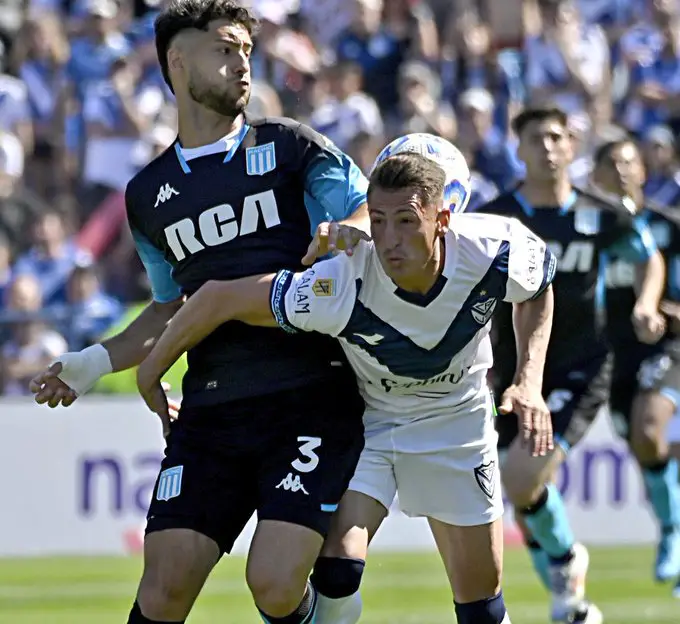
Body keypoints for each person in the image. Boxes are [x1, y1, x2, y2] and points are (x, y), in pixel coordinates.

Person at [27, 2, 373, 623]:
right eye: (225, 48)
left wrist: (344, 233)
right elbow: (170, 309)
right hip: (210, 410)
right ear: (178, 62)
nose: (242, 63)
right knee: (162, 586)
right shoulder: (146, 196)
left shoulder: (291, 147)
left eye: (246, 49)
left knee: (271, 581)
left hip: (310, 395)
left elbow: (369, 211)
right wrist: (87, 364)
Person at [135, 150, 557, 624]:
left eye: (405, 221)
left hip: (457, 420)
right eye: (378, 221)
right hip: (373, 421)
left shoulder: (495, 248)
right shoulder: (339, 282)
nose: (390, 240)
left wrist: (529, 379)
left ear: (443, 218)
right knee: (336, 570)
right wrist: (150, 370)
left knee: (481, 604)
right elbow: (220, 296)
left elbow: (538, 289)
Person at [478, 107, 665, 624]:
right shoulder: (496, 219)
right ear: (518, 150)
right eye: (536, 138)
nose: (548, 147)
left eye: (557, 137)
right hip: (513, 375)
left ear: (573, 146)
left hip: (581, 368)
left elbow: (649, 256)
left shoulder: (601, 213)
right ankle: (572, 603)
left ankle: (565, 562)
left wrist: (647, 304)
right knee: (522, 493)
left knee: (519, 477)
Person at [592, 138, 680, 585]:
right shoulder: (589, 231)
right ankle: (675, 524)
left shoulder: (670, 227)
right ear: (596, 177)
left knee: (649, 431)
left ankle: (671, 531)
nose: (622, 169)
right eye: (611, 162)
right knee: (649, 449)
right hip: (614, 357)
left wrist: (667, 313)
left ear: (644, 171)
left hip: (668, 348)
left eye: (630, 161)